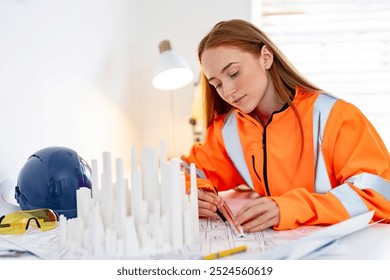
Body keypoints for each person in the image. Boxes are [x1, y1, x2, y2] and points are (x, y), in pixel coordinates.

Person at [180, 19, 390, 233]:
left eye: (233, 73)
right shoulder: (229, 129)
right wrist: (193, 192)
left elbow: (380, 197)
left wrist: (289, 208)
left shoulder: (336, 117)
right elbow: (184, 170)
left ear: (266, 57)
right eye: (217, 84)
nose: (228, 91)